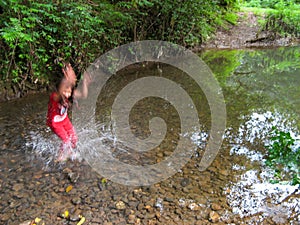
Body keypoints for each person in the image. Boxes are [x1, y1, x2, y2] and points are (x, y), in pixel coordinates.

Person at [47, 63, 91, 161]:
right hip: (55, 123)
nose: (67, 94)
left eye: (69, 91)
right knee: (66, 140)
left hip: (64, 119)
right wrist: (68, 80)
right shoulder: (55, 97)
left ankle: (69, 152)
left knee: (74, 139)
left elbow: (84, 95)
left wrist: (84, 83)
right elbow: (62, 90)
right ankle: (60, 156)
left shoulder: (70, 96)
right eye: (65, 91)